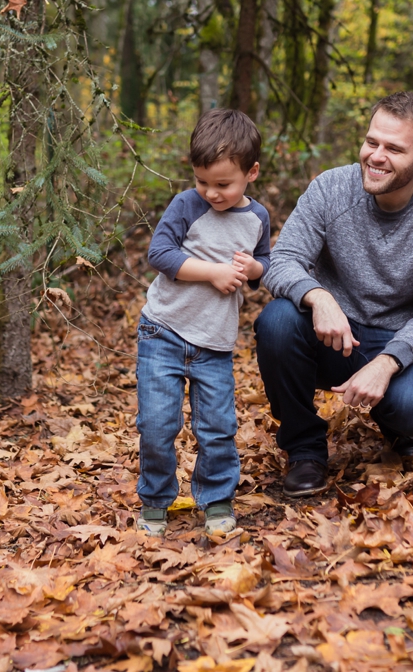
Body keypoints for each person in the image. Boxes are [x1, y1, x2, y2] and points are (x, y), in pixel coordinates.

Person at [257, 92, 413, 497]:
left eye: (394, 148)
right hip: (331, 335)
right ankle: (305, 451)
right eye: (372, 142)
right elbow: (283, 259)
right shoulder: (330, 188)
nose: (376, 156)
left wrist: (389, 361)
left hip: (398, 339)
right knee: (277, 321)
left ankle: (395, 424)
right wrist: (319, 297)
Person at [135, 108, 273, 538]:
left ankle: (216, 499)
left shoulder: (257, 218)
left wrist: (253, 270)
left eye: (222, 184)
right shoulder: (186, 205)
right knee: (158, 424)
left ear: (251, 172)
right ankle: (156, 499)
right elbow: (159, 253)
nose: (211, 193)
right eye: (202, 182)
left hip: (214, 342)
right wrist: (211, 272)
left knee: (216, 428)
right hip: (163, 330)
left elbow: (265, 263)